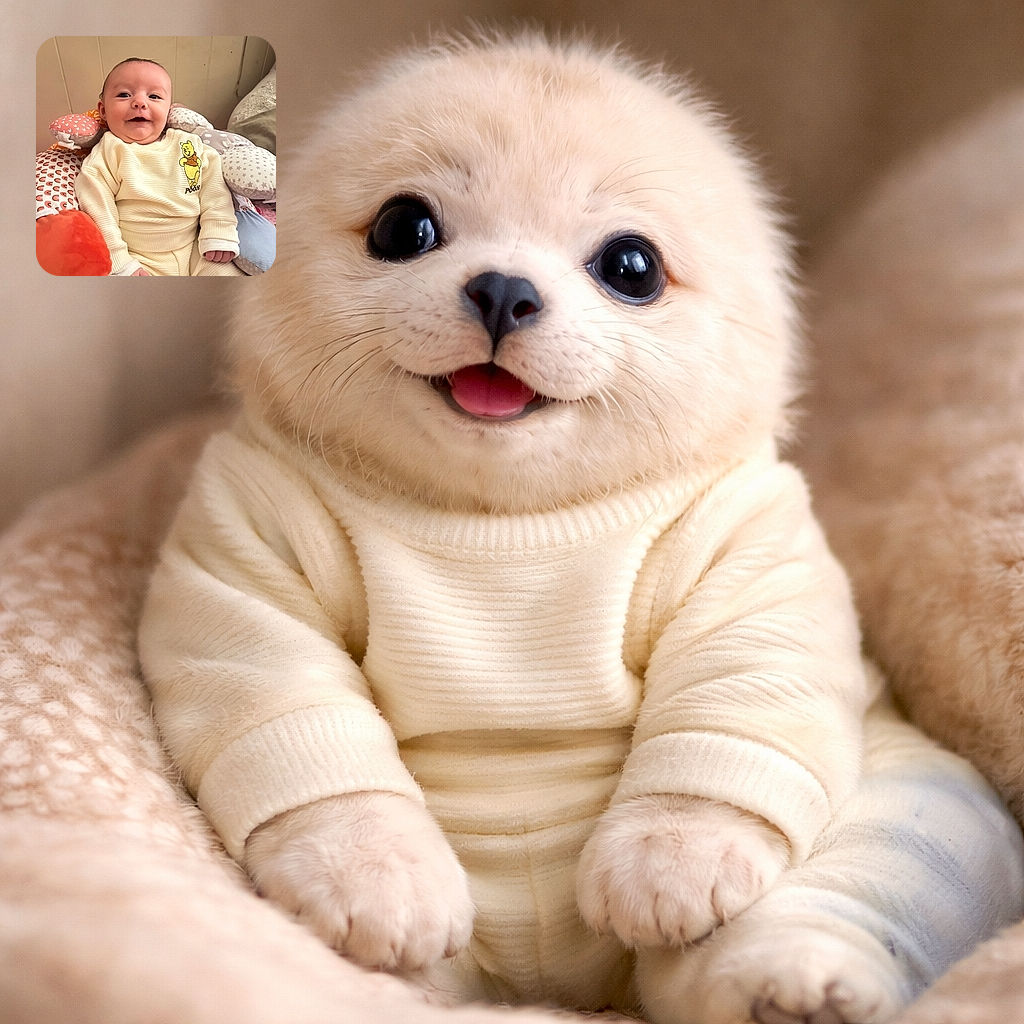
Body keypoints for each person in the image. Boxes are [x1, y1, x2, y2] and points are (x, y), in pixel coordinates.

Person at [76, 57, 242, 277]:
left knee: (227, 281)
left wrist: (218, 231)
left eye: (154, 96)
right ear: (103, 110)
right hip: (138, 257)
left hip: (195, 248)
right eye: (124, 94)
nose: (139, 102)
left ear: (168, 110)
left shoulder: (187, 144)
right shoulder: (109, 151)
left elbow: (215, 190)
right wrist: (119, 260)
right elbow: (97, 207)